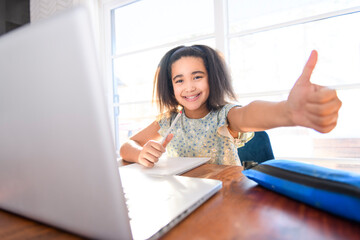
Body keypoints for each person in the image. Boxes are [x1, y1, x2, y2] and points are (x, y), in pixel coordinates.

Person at [120, 45, 342, 167]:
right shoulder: (168, 120)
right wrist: (140, 154)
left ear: (212, 78)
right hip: (183, 200)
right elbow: (127, 146)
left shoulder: (223, 116)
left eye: (197, 77)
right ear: (170, 87)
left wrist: (287, 111)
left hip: (226, 198)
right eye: (179, 80)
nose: (189, 87)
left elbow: (249, 115)